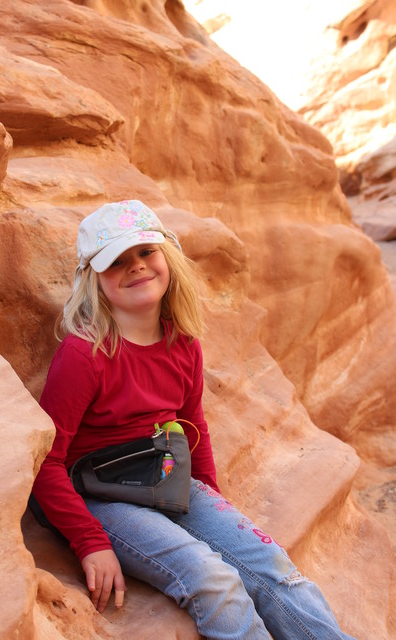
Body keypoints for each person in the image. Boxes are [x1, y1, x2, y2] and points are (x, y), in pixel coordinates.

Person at [32, 200, 356, 640]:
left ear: (168, 258)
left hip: (164, 474)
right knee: (214, 580)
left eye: (146, 252)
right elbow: (46, 461)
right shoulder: (85, 354)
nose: (136, 267)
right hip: (103, 493)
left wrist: (213, 507)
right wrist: (90, 541)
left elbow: (192, 428)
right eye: (117, 262)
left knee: (272, 567)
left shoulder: (181, 343)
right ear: (94, 279)